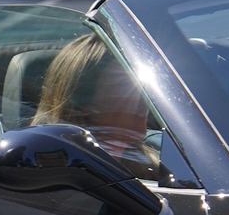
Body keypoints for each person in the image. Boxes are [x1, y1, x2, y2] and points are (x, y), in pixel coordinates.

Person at [31, 34, 158, 175]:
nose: (141, 97)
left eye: (142, 86)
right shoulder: (53, 175)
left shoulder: (155, 168)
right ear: (82, 102)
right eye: (123, 85)